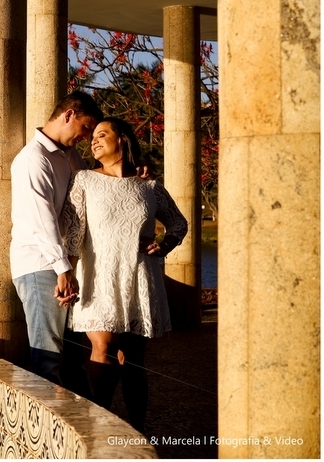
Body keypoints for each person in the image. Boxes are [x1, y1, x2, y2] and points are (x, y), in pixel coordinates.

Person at [61, 117, 187, 431]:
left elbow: (179, 224)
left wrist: (164, 244)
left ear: (123, 140)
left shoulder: (149, 186)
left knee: (132, 360)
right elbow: (74, 233)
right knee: (101, 350)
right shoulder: (85, 180)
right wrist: (69, 274)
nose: (94, 140)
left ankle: (136, 431)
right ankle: (99, 424)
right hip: (98, 278)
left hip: (140, 279)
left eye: (103, 134)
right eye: (93, 136)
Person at [10, 91, 104, 385]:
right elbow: (42, 220)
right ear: (69, 115)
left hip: (64, 266)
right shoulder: (32, 160)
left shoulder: (71, 156)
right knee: (47, 356)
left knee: (73, 358)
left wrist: (131, 174)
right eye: (86, 127)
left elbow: (94, 193)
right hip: (41, 266)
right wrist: (63, 269)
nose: (88, 136)